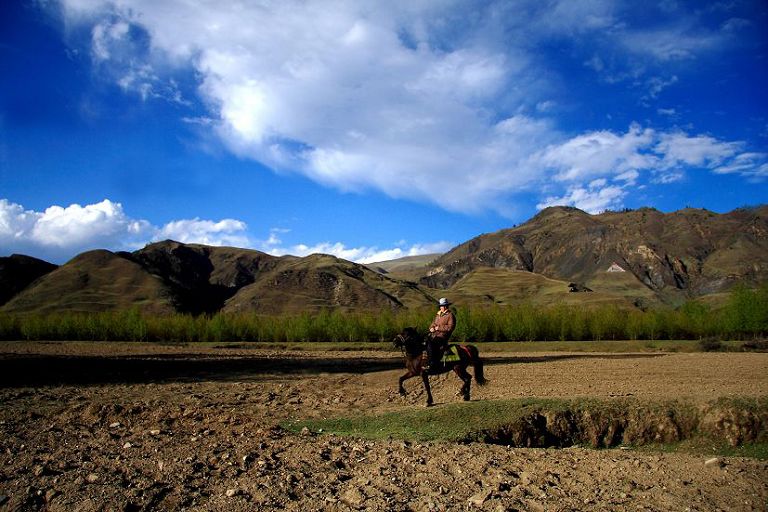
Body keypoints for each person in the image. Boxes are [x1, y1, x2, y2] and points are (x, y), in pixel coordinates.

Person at [425, 297, 456, 373]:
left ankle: (432, 363)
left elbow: (450, 327)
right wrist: (431, 328)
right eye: (442, 306)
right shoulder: (438, 314)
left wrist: (438, 328)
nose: (443, 307)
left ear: (447, 306)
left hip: (443, 336)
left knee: (431, 344)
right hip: (434, 334)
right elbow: (433, 323)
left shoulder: (450, 315)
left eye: (444, 305)